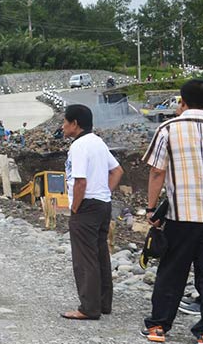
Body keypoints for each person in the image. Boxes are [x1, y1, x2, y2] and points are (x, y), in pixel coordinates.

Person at [140, 79, 203, 344]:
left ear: (182, 101)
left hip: (181, 216)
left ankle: (159, 328)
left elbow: (156, 171)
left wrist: (151, 208)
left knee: (172, 272)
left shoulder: (168, 129)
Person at [60, 104, 124, 321]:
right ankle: (104, 303)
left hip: (86, 206)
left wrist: (75, 208)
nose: (63, 126)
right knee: (100, 254)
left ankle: (88, 307)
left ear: (75, 124)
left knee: (84, 258)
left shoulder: (79, 146)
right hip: (102, 204)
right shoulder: (98, 142)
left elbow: (80, 182)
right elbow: (117, 170)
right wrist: (104, 191)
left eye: (65, 122)